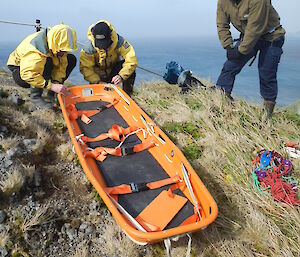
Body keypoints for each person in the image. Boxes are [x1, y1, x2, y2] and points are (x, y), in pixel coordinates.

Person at [216, 0, 285, 119]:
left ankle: (267, 116)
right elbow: (222, 24)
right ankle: (221, 102)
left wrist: (239, 51)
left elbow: (255, 28)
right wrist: (228, 46)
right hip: (248, 36)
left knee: (266, 74)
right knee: (230, 66)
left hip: (272, 37)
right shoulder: (223, 1)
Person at [7, 24, 78, 109]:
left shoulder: (55, 43)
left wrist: (56, 82)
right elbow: (28, 74)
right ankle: (35, 97)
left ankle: (51, 95)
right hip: (20, 71)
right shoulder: (36, 49)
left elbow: (62, 64)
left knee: (70, 59)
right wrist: (51, 86)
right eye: (62, 50)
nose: (63, 52)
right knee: (46, 62)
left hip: (35, 66)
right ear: (56, 42)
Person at [80, 20, 137, 96]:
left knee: (129, 69)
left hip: (113, 73)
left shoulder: (120, 42)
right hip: (97, 77)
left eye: (105, 43)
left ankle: (127, 96)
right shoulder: (89, 47)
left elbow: (131, 60)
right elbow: (85, 68)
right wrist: (98, 82)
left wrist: (121, 76)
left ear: (110, 36)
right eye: (100, 44)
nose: (103, 46)